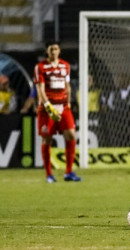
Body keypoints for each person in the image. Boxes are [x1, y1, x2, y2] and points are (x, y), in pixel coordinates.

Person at [34, 40, 81, 183]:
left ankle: (69, 172)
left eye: (56, 49)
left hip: (63, 107)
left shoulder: (65, 66)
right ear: (47, 51)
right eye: (51, 49)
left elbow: (67, 86)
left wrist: (68, 102)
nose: (54, 51)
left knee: (71, 135)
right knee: (47, 138)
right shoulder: (40, 67)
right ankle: (49, 174)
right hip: (47, 108)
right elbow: (40, 88)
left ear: (59, 51)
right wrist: (48, 106)